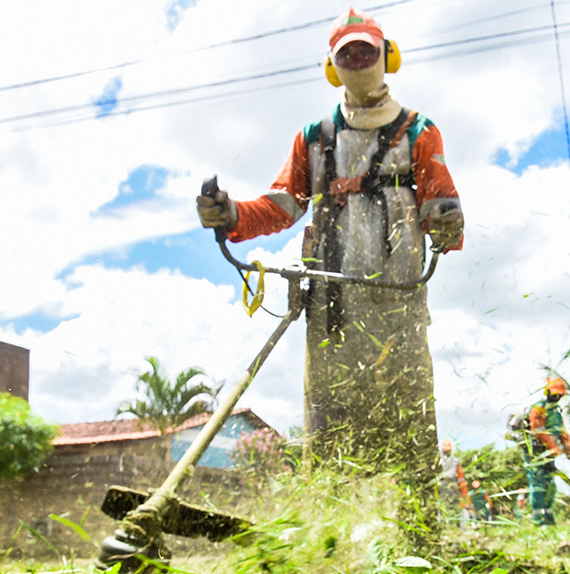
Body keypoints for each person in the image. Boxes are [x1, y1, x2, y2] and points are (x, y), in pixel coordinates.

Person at [197, 7, 464, 522]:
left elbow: (440, 206)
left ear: (389, 58)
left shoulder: (419, 131)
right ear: (332, 67)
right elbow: (281, 206)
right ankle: (329, 530)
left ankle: (420, 533)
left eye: (368, 50)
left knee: (408, 413)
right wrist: (229, 214)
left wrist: (449, 224)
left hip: (397, 300)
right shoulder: (314, 138)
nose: (359, 60)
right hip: (330, 305)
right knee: (330, 419)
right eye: (349, 53)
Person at [519, 377, 570, 526]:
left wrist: (568, 449)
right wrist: (554, 447)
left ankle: (548, 516)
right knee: (538, 483)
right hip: (535, 454)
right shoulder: (538, 408)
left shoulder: (557, 412)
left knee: (550, 484)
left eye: (559, 395)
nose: (556, 397)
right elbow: (538, 430)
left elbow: (562, 432)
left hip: (549, 455)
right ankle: (537, 518)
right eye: (554, 394)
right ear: (547, 392)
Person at [437, 438, 473, 526]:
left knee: (454, 507)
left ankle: (455, 526)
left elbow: (461, 478)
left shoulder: (455, 461)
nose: (446, 452)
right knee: (441, 507)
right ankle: (441, 525)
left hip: (453, 488)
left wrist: (464, 492)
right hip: (441, 487)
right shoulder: (437, 461)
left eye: (448, 450)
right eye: (445, 450)